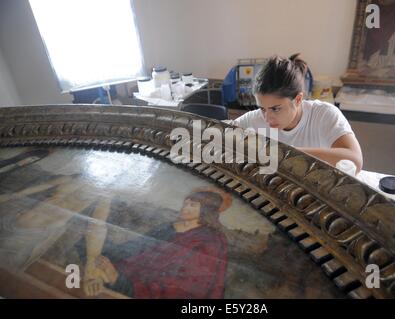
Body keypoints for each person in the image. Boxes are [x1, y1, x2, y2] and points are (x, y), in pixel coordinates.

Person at [85, 187, 231, 299]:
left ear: (206, 210)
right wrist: (103, 264)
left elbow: (191, 283)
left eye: (192, 205)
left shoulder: (211, 240)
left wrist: (118, 279)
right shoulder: (168, 227)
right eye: (185, 204)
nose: (184, 208)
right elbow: (135, 247)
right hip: (130, 277)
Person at [232, 54, 363, 173]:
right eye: (262, 108)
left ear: (298, 99)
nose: (267, 118)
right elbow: (219, 137)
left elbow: (355, 161)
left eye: (276, 109)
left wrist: (287, 153)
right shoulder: (255, 119)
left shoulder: (324, 114)